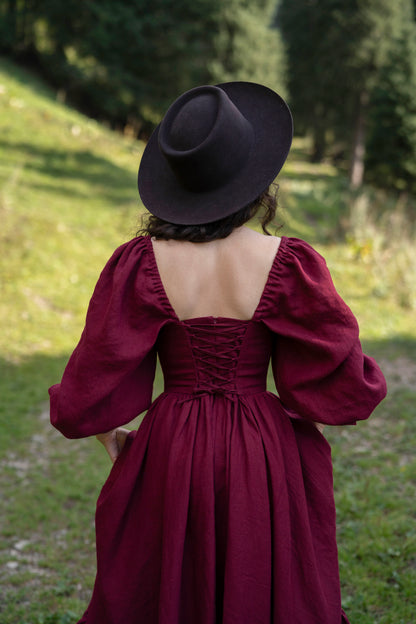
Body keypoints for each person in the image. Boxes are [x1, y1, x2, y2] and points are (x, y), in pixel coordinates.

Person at [49, 82, 387, 624]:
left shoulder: (140, 263)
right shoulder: (287, 262)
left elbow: (93, 377)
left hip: (170, 448)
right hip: (262, 450)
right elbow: (339, 381)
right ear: (255, 178)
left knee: (171, 587)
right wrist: (296, 429)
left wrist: (110, 437)